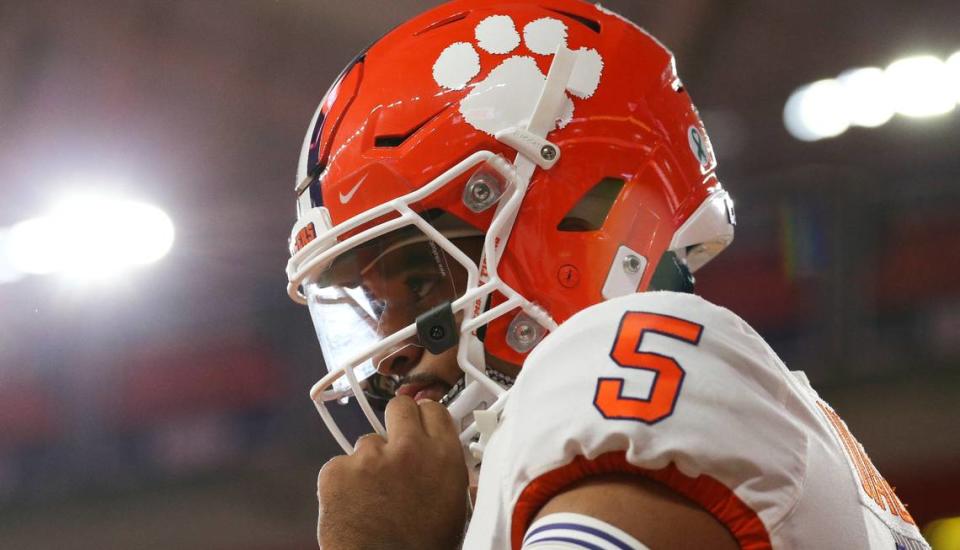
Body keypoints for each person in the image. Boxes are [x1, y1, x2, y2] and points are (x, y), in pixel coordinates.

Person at [284, 1, 931, 548]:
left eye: (421, 283)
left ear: (565, 221)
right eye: (371, 305)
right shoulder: (744, 405)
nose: (388, 353)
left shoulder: (622, 367)